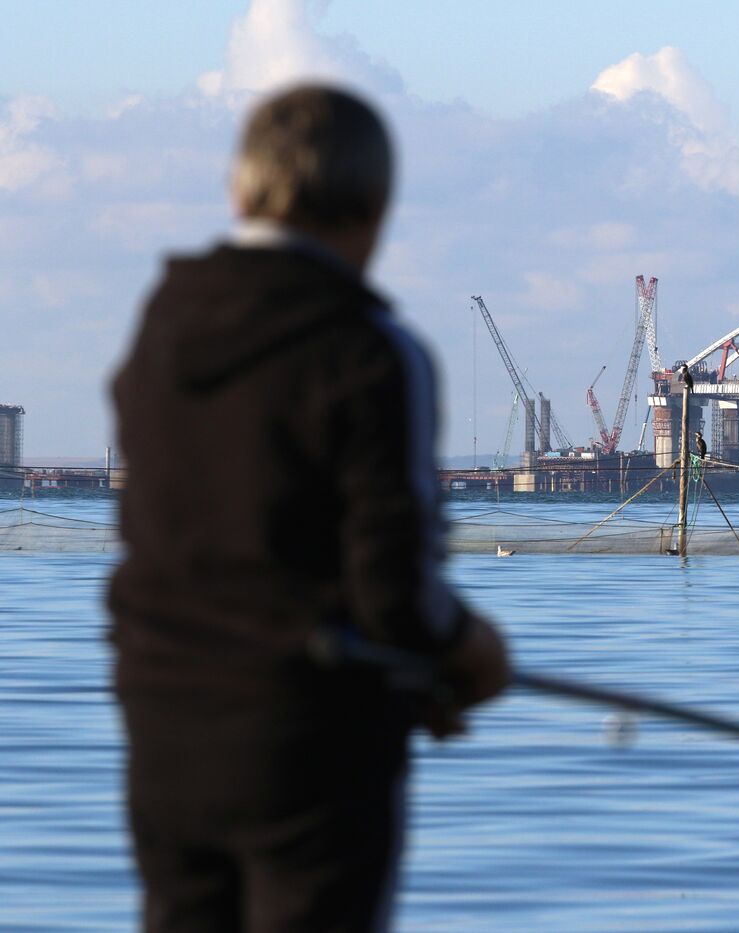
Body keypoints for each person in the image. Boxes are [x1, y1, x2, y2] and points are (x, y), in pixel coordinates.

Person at [108, 84, 509, 932]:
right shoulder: (371, 353)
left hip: (163, 732)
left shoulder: (160, 330)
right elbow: (393, 591)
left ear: (240, 191)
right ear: (374, 206)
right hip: (310, 751)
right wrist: (462, 650)